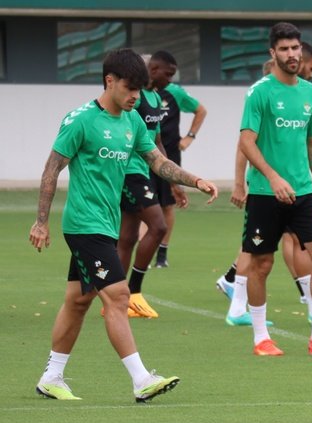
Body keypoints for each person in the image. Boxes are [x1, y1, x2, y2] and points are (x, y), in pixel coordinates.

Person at [29, 48, 218, 402]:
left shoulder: (132, 121)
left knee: (77, 300)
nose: (136, 97)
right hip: (84, 225)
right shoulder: (81, 119)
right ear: (109, 81)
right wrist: (41, 222)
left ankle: (51, 376)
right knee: (118, 296)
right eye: (130, 89)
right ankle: (141, 379)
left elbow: (157, 161)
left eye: (140, 90)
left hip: (107, 223)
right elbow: (52, 168)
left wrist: (195, 180)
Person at [238, 22, 312, 358]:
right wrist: (273, 177)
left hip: (304, 192)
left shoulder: (311, 94)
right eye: (285, 49)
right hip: (264, 192)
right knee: (261, 264)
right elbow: (247, 142)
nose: (292, 55)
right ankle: (261, 338)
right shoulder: (259, 92)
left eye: (295, 48)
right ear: (272, 53)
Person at [115, 69, 169, 319]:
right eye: (167, 73)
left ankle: (115, 298)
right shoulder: (132, 101)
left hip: (145, 171)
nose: (169, 79)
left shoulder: (156, 98)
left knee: (127, 237)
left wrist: (173, 182)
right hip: (129, 171)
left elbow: (157, 142)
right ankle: (133, 292)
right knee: (158, 226)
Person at [147, 50, 208, 267]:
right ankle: (140, 253)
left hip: (168, 156)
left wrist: (189, 137)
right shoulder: (139, 95)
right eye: (169, 73)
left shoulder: (174, 92)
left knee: (167, 206)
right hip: (142, 159)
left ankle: (162, 254)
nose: (171, 79)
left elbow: (201, 110)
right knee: (143, 205)